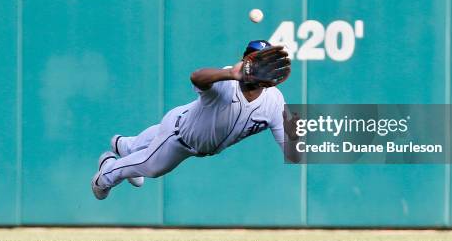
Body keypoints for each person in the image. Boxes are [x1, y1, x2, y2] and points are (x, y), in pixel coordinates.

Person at [91, 40, 300, 200]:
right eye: (252, 60)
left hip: (186, 120)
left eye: (263, 64)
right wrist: (230, 74)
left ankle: (125, 145)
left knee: (142, 149)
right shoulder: (226, 81)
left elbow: (292, 146)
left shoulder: (274, 101)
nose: (255, 68)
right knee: (151, 166)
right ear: (244, 61)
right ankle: (106, 173)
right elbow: (197, 77)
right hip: (179, 138)